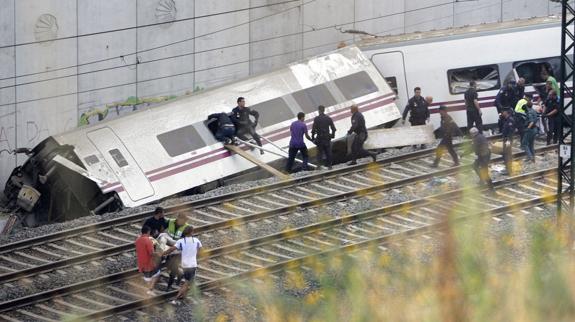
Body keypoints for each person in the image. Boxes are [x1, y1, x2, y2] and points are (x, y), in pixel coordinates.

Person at [164, 226, 202, 305]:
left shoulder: (181, 241)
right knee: (187, 283)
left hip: (184, 265)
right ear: (191, 232)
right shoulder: (196, 240)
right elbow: (199, 252)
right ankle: (176, 299)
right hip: (192, 265)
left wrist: (163, 253)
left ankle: (184, 298)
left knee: (189, 282)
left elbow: (172, 249)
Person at [135, 226, 160, 295]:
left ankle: (148, 290)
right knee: (157, 274)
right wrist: (159, 254)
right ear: (148, 232)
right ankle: (149, 290)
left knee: (147, 276)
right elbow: (151, 253)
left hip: (141, 262)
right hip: (149, 263)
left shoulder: (137, 240)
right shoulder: (148, 240)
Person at [155, 225, 181, 291]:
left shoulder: (163, 237)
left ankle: (169, 287)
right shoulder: (160, 237)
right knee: (169, 267)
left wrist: (162, 254)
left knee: (173, 271)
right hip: (171, 254)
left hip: (176, 254)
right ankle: (180, 274)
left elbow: (163, 248)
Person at [311, 105, 336, 169]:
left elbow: (313, 130)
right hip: (327, 138)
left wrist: (313, 138)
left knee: (320, 153)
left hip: (320, 138)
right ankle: (330, 165)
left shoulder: (316, 119)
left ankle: (319, 166)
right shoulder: (328, 118)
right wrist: (332, 135)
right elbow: (333, 128)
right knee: (328, 152)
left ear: (319, 110)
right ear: (324, 110)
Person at [522, 97, 539, 163]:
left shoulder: (529, 112)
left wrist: (528, 128)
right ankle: (533, 158)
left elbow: (531, 121)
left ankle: (530, 157)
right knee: (531, 144)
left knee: (524, 143)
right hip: (534, 129)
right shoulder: (533, 111)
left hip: (530, 129)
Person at [500, 108, 516, 175]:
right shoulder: (506, 119)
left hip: (508, 140)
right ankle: (507, 168)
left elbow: (511, 132)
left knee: (507, 155)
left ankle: (509, 170)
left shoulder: (510, 120)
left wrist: (508, 141)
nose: (502, 113)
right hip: (506, 140)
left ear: (506, 112)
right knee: (505, 154)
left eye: (503, 111)